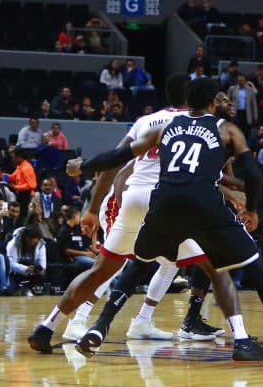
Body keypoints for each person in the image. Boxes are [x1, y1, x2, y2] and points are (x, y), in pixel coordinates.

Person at [48, 77, 263, 366]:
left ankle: (100, 325)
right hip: (203, 205)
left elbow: (117, 157)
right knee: (252, 265)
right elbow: (254, 176)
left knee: (138, 262)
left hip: (163, 205)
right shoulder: (226, 130)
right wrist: (253, 209)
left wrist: (82, 166)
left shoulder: (164, 127)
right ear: (212, 102)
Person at [26, 76, 225, 351]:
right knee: (218, 259)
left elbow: (113, 162)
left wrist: (92, 209)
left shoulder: (147, 120)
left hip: (132, 201)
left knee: (101, 270)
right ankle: (224, 329)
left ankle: (47, 326)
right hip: (165, 203)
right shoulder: (202, 124)